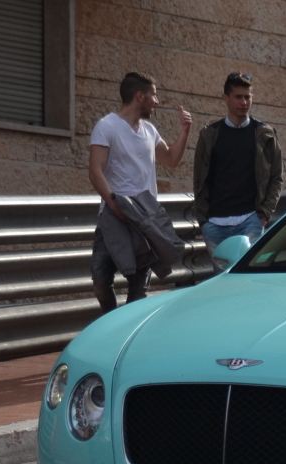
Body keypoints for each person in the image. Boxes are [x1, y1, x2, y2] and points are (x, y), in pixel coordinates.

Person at [91, 72, 192, 312]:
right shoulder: (107, 126)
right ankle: (110, 320)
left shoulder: (149, 130)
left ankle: (122, 336)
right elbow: (95, 171)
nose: (156, 101)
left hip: (145, 220)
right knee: (99, 279)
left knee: (138, 288)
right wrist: (113, 203)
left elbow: (170, 159)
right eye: (153, 95)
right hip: (113, 217)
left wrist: (184, 132)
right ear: (140, 96)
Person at [194, 72, 283, 257]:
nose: (243, 102)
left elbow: (276, 177)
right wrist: (204, 221)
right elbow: (199, 180)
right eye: (238, 97)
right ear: (225, 98)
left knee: (247, 282)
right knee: (221, 282)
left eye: (247, 97)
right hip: (215, 223)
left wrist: (264, 214)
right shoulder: (209, 135)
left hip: (251, 220)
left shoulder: (264, 134)